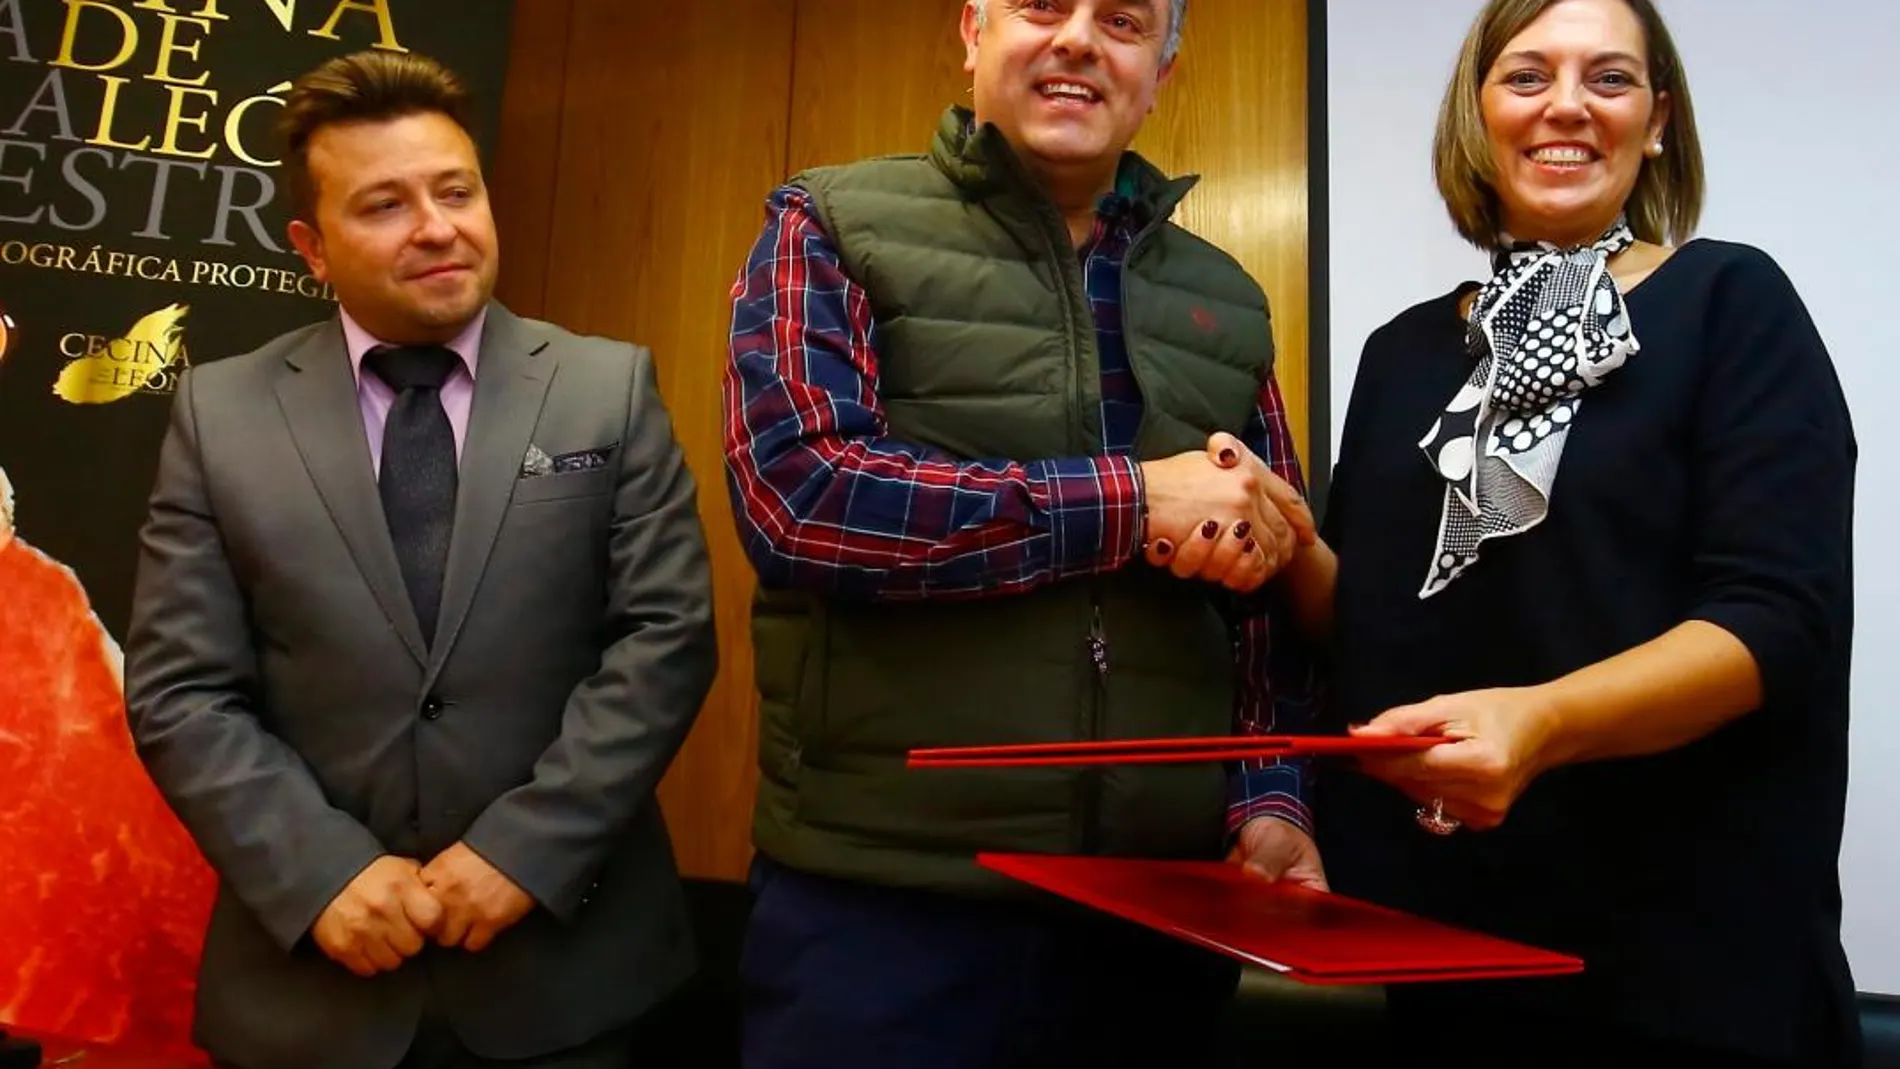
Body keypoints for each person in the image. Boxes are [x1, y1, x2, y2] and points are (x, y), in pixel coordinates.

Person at [722, 2, 1331, 1067]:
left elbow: (1253, 595)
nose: (1079, 40)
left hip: (1161, 914)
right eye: (1043, 6)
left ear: (1163, 70)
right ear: (972, 29)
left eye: (1125, 21)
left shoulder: (1226, 298)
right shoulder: (826, 222)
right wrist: (1133, 504)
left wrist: (1263, 793)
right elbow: (801, 497)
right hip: (887, 907)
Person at [124, 51, 717, 1069]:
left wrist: (524, 851)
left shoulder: (603, 389)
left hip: (567, 979)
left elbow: (662, 641)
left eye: (457, 190)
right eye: (385, 205)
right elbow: (182, 691)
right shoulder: (220, 414)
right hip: (310, 989)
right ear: (311, 247)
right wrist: (319, 876)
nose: (439, 227)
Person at [1308, 0, 1859, 1065]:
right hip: (1443, 950)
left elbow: (1776, 622)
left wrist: (1545, 724)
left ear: (1656, 121)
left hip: (1682, 966)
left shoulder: (1728, 301)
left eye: (1607, 80)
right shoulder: (1401, 352)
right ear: (1478, 113)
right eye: (1525, 77)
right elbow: (1373, 621)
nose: (1565, 104)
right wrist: (1282, 543)